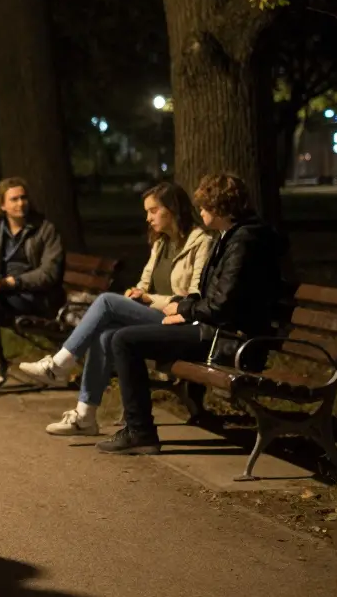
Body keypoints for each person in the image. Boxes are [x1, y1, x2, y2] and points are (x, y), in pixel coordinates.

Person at [97, 173, 288, 456]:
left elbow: (221, 306)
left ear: (219, 207)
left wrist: (182, 309)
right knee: (119, 337)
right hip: (216, 329)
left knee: (124, 341)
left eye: (203, 206)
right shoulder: (234, 236)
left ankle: (140, 431)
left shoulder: (244, 241)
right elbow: (217, 300)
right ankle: (137, 428)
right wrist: (187, 314)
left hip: (230, 339)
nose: (199, 212)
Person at [18, 182, 214, 435]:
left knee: (107, 301)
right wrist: (136, 294)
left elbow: (192, 298)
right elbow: (144, 284)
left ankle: (58, 366)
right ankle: (85, 416)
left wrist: (147, 299)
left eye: (153, 210)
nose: (148, 217)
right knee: (105, 333)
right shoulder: (160, 244)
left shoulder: (201, 242)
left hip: (181, 324)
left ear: (172, 209)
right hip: (157, 317)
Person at [0, 178, 65, 394]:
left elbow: (49, 273)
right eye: (14, 199)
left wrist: (13, 282)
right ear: (2, 205)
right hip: (3, 294)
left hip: (34, 296)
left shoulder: (45, 230)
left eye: (23, 198)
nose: (20, 203)